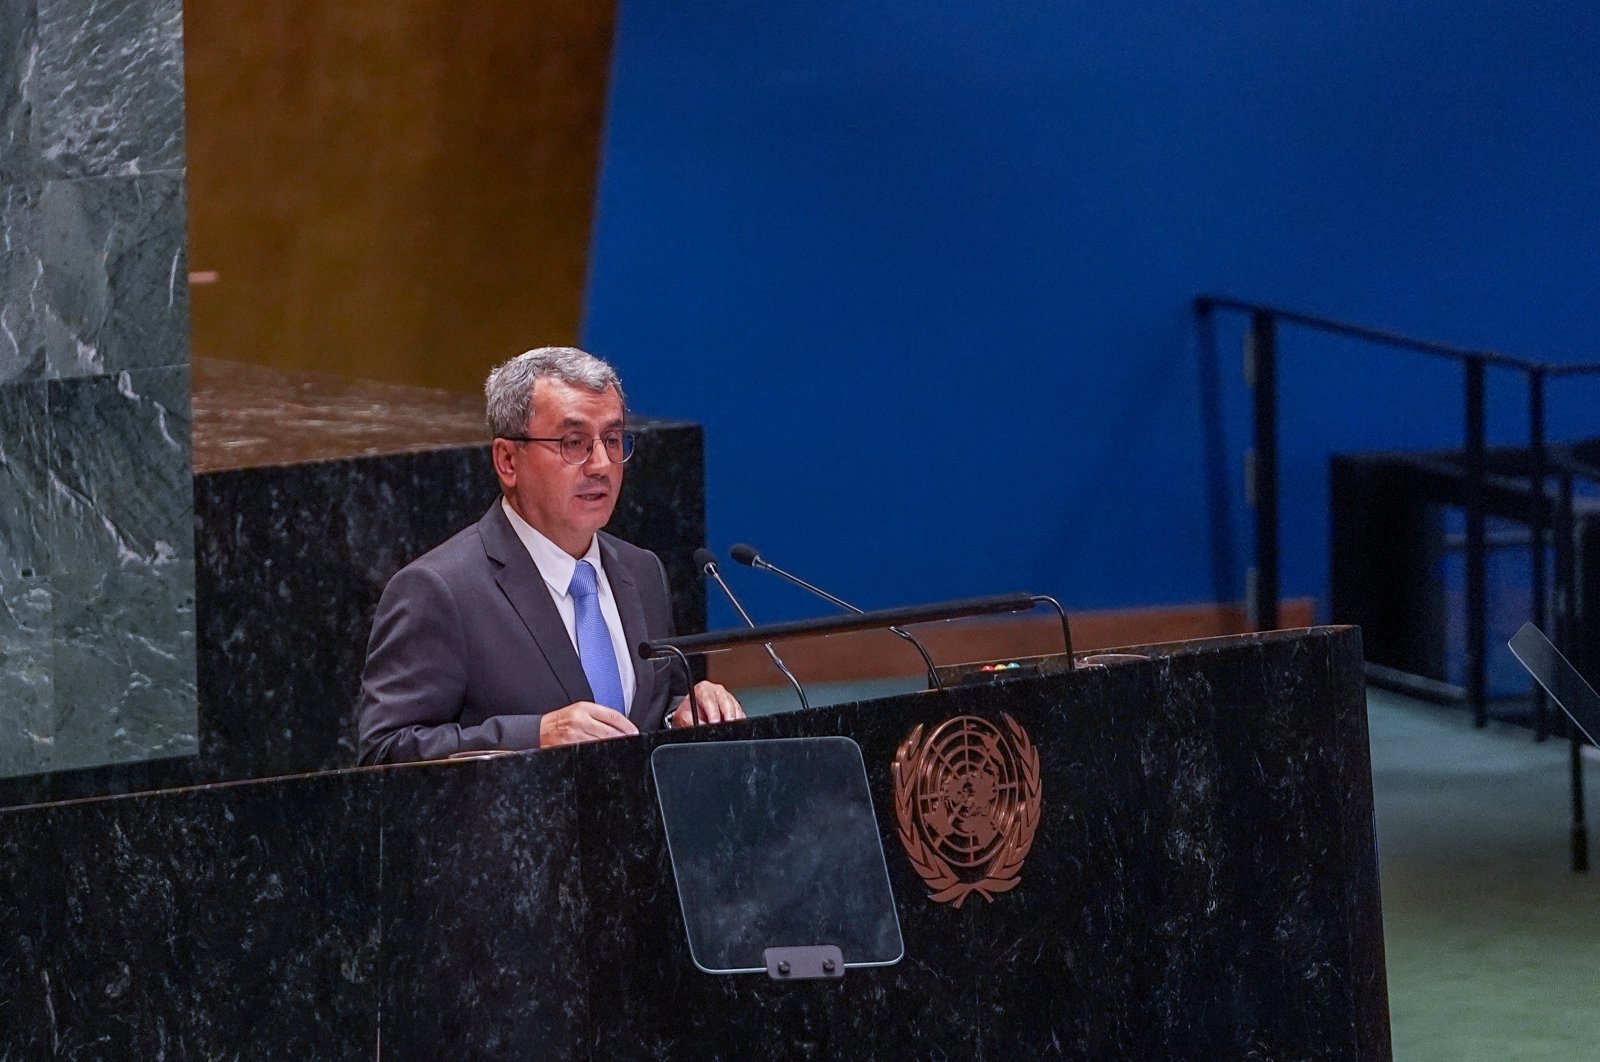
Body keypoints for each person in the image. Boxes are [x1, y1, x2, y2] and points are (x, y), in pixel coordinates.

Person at [356, 346, 744, 765]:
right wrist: (534, 735)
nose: (600, 464)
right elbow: (384, 753)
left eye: (612, 440)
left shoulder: (641, 570)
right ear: (507, 460)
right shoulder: (439, 589)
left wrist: (683, 710)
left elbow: (649, 710)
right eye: (573, 442)